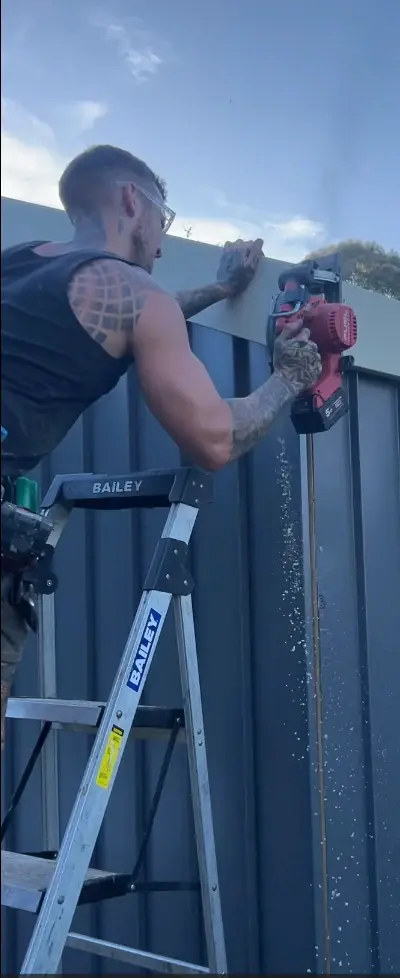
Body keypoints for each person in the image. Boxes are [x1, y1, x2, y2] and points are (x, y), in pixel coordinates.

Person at [1, 144, 322, 750]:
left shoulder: (19, 264)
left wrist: (222, 286)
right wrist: (290, 378)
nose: (163, 241)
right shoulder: (133, 294)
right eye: (164, 219)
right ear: (131, 200)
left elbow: (120, 316)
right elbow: (213, 439)